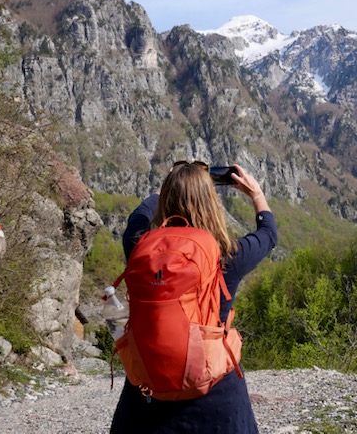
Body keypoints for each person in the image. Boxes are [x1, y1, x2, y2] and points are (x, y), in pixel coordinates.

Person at [110, 161, 277, 433]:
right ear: (212, 203)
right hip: (215, 397)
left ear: (165, 198)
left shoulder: (140, 248)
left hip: (146, 397)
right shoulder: (229, 255)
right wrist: (256, 195)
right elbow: (268, 234)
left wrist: (165, 188)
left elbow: (137, 218)